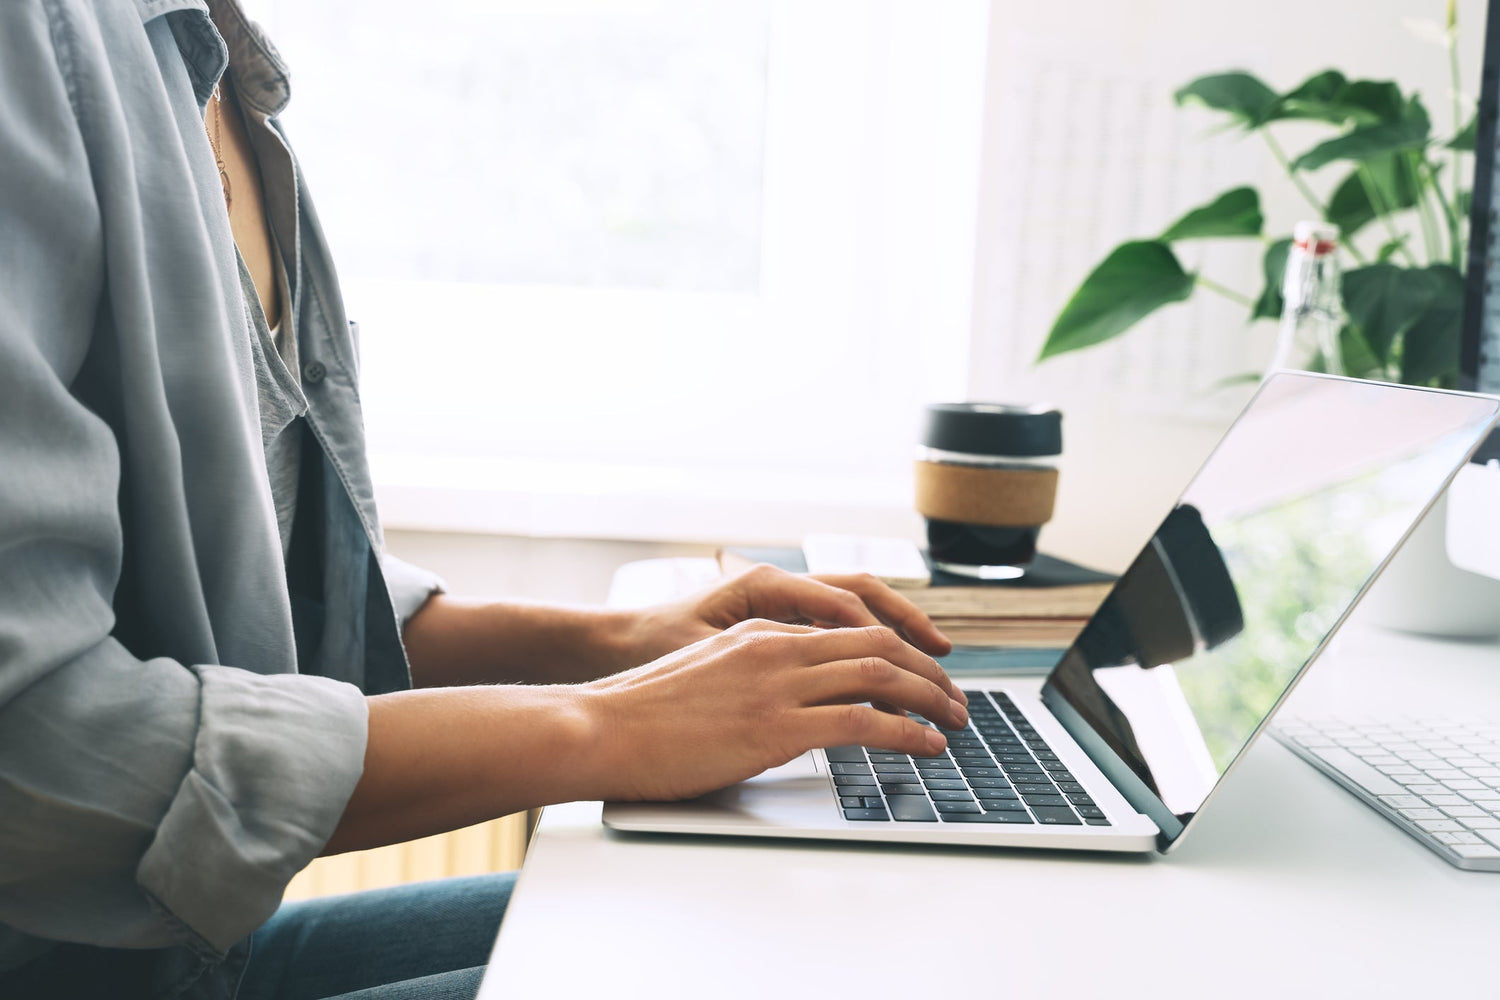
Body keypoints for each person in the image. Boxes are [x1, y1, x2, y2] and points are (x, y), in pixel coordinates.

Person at [0, 1, 965, 997]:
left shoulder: (209, 53)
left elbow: (270, 605)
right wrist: (609, 727)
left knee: (832, 928)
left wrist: (614, 644)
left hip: (195, 964)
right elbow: (31, 743)